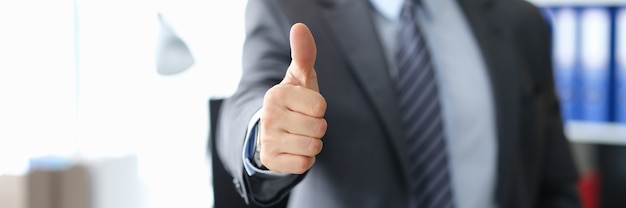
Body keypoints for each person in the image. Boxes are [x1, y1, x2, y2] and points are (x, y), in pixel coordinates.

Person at [216, 0, 582, 207]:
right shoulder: (290, 7)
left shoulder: (521, 21)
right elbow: (247, 101)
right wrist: (264, 134)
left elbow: (555, 183)